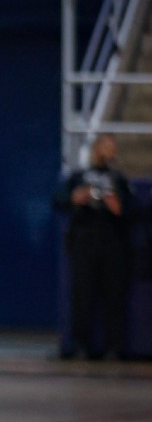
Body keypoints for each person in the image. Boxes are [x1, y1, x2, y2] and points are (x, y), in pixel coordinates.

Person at [53, 134, 137, 360]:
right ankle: (80, 344)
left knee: (114, 296)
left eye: (112, 148)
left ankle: (114, 346)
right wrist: (75, 198)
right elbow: (58, 201)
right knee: (82, 295)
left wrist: (118, 207)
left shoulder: (119, 179)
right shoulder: (79, 177)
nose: (108, 152)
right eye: (105, 147)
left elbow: (134, 211)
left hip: (113, 244)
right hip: (84, 242)